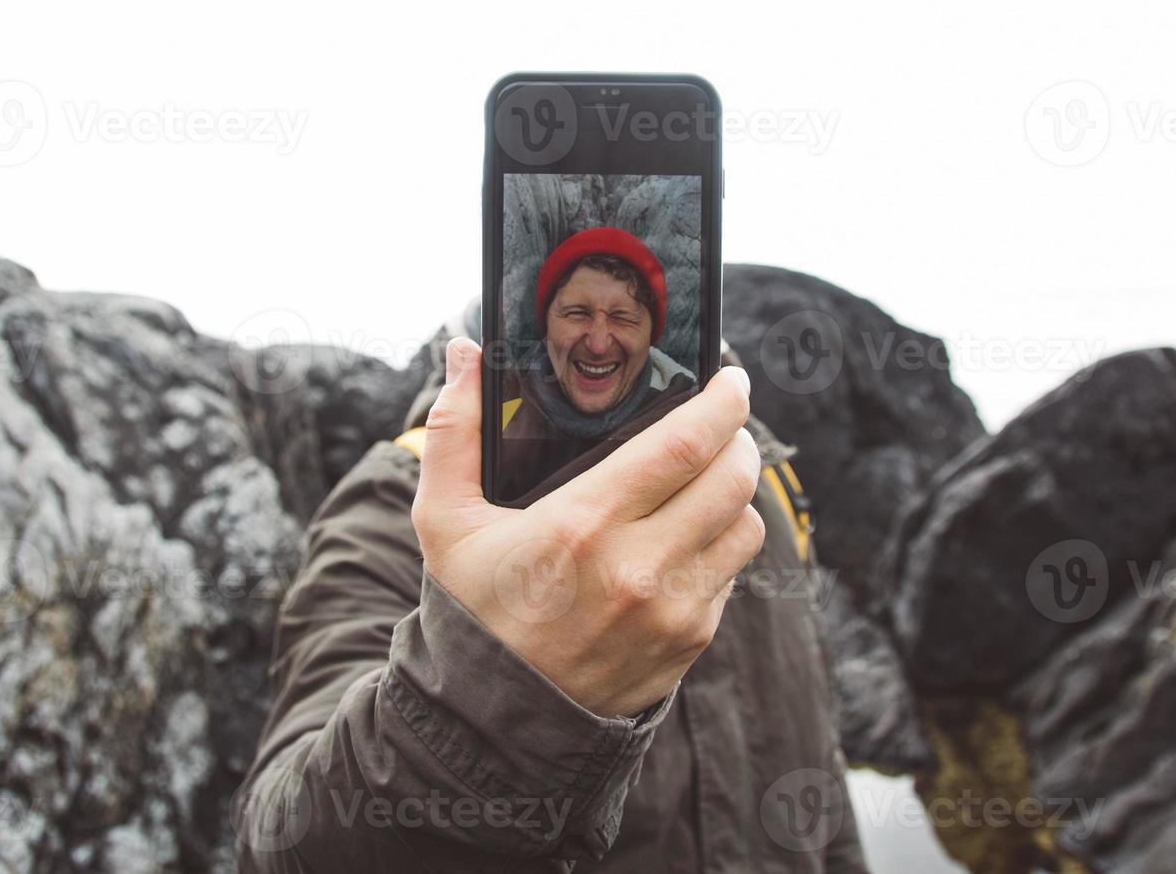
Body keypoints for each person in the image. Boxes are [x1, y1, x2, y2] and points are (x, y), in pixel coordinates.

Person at [234, 313, 867, 872]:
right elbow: (281, 840)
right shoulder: (408, 502)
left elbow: (818, 766)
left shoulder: (754, 475)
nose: (600, 336)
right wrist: (490, 716)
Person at [499, 227, 698, 504]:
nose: (598, 345)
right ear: (547, 323)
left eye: (623, 318)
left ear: (650, 338)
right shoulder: (495, 402)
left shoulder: (695, 417)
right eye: (578, 313)